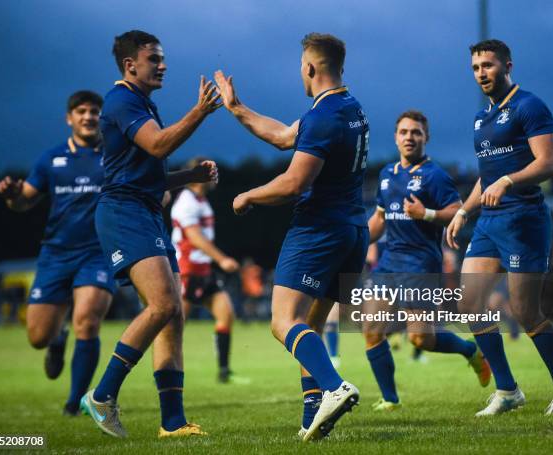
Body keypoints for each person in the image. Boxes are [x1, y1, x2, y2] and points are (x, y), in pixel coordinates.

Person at [215, 32, 368, 441]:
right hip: (353, 231)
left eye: (301, 64)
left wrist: (249, 194)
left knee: (283, 322)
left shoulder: (322, 116)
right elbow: (283, 136)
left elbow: (294, 183)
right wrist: (235, 107)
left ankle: (335, 388)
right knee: (309, 330)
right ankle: (313, 420)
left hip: (319, 229)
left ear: (311, 68)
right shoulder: (349, 108)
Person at [80, 30, 220, 438]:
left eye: (162, 58)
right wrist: (199, 112)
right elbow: (158, 146)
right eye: (154, 59)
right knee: (161, 305)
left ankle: (172, 423)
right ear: (130, 65)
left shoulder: (142, 103)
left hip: (144, 212)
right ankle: (102, 395)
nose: (163, 65)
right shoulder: (122, 100)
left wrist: (190, 176)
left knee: (172, 314)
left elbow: (150, 174)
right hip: (124, 214)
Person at [446, 39, 553, 416]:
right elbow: (484, 177)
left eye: (488, 66)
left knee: (525, 311)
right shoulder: (481, 119)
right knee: (471, 304)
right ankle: (507, 391)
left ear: (508, 65)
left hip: (525, 220)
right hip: (489, 223)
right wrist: (463, 211)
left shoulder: (530, 106)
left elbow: (548, 164)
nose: (481, 74)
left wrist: (508, 181)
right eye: (475, 68)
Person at [362, 110, 491, 412]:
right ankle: (391, 399)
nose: (409, 137)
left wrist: (427, 214)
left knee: (420, 338)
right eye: (404, 132)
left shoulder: (435, 175)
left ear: (426, 138)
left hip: (422, 263)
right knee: (371, 328)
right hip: (390, 261)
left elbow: (458, 210)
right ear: (396, 137)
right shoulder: (386, 175)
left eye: (416, 132)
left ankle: (471, 351)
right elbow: (379, 220)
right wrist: (355, 242)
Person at [0, 91, 115, 416]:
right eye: (81, 111)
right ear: (69, 118)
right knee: (37, 337)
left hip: (97, 252)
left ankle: (74, 403)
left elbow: (142, 189)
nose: (88, 116)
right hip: (55, 255)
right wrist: (12, 195)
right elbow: (24, 201)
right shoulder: (51, 159)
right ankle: (56, 339)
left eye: (94, 111)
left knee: (88, 321)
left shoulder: (115, 156)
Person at [170, 157, 240, 383]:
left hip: (203, 269)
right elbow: (194, 237)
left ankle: (223, 371)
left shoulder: (199, 200)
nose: (215, 177)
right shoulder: (186, 202)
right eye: (211, 172)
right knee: (176, 324)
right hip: (188, 269)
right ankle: (166, 373)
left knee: (226, 314)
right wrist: (222, 259)